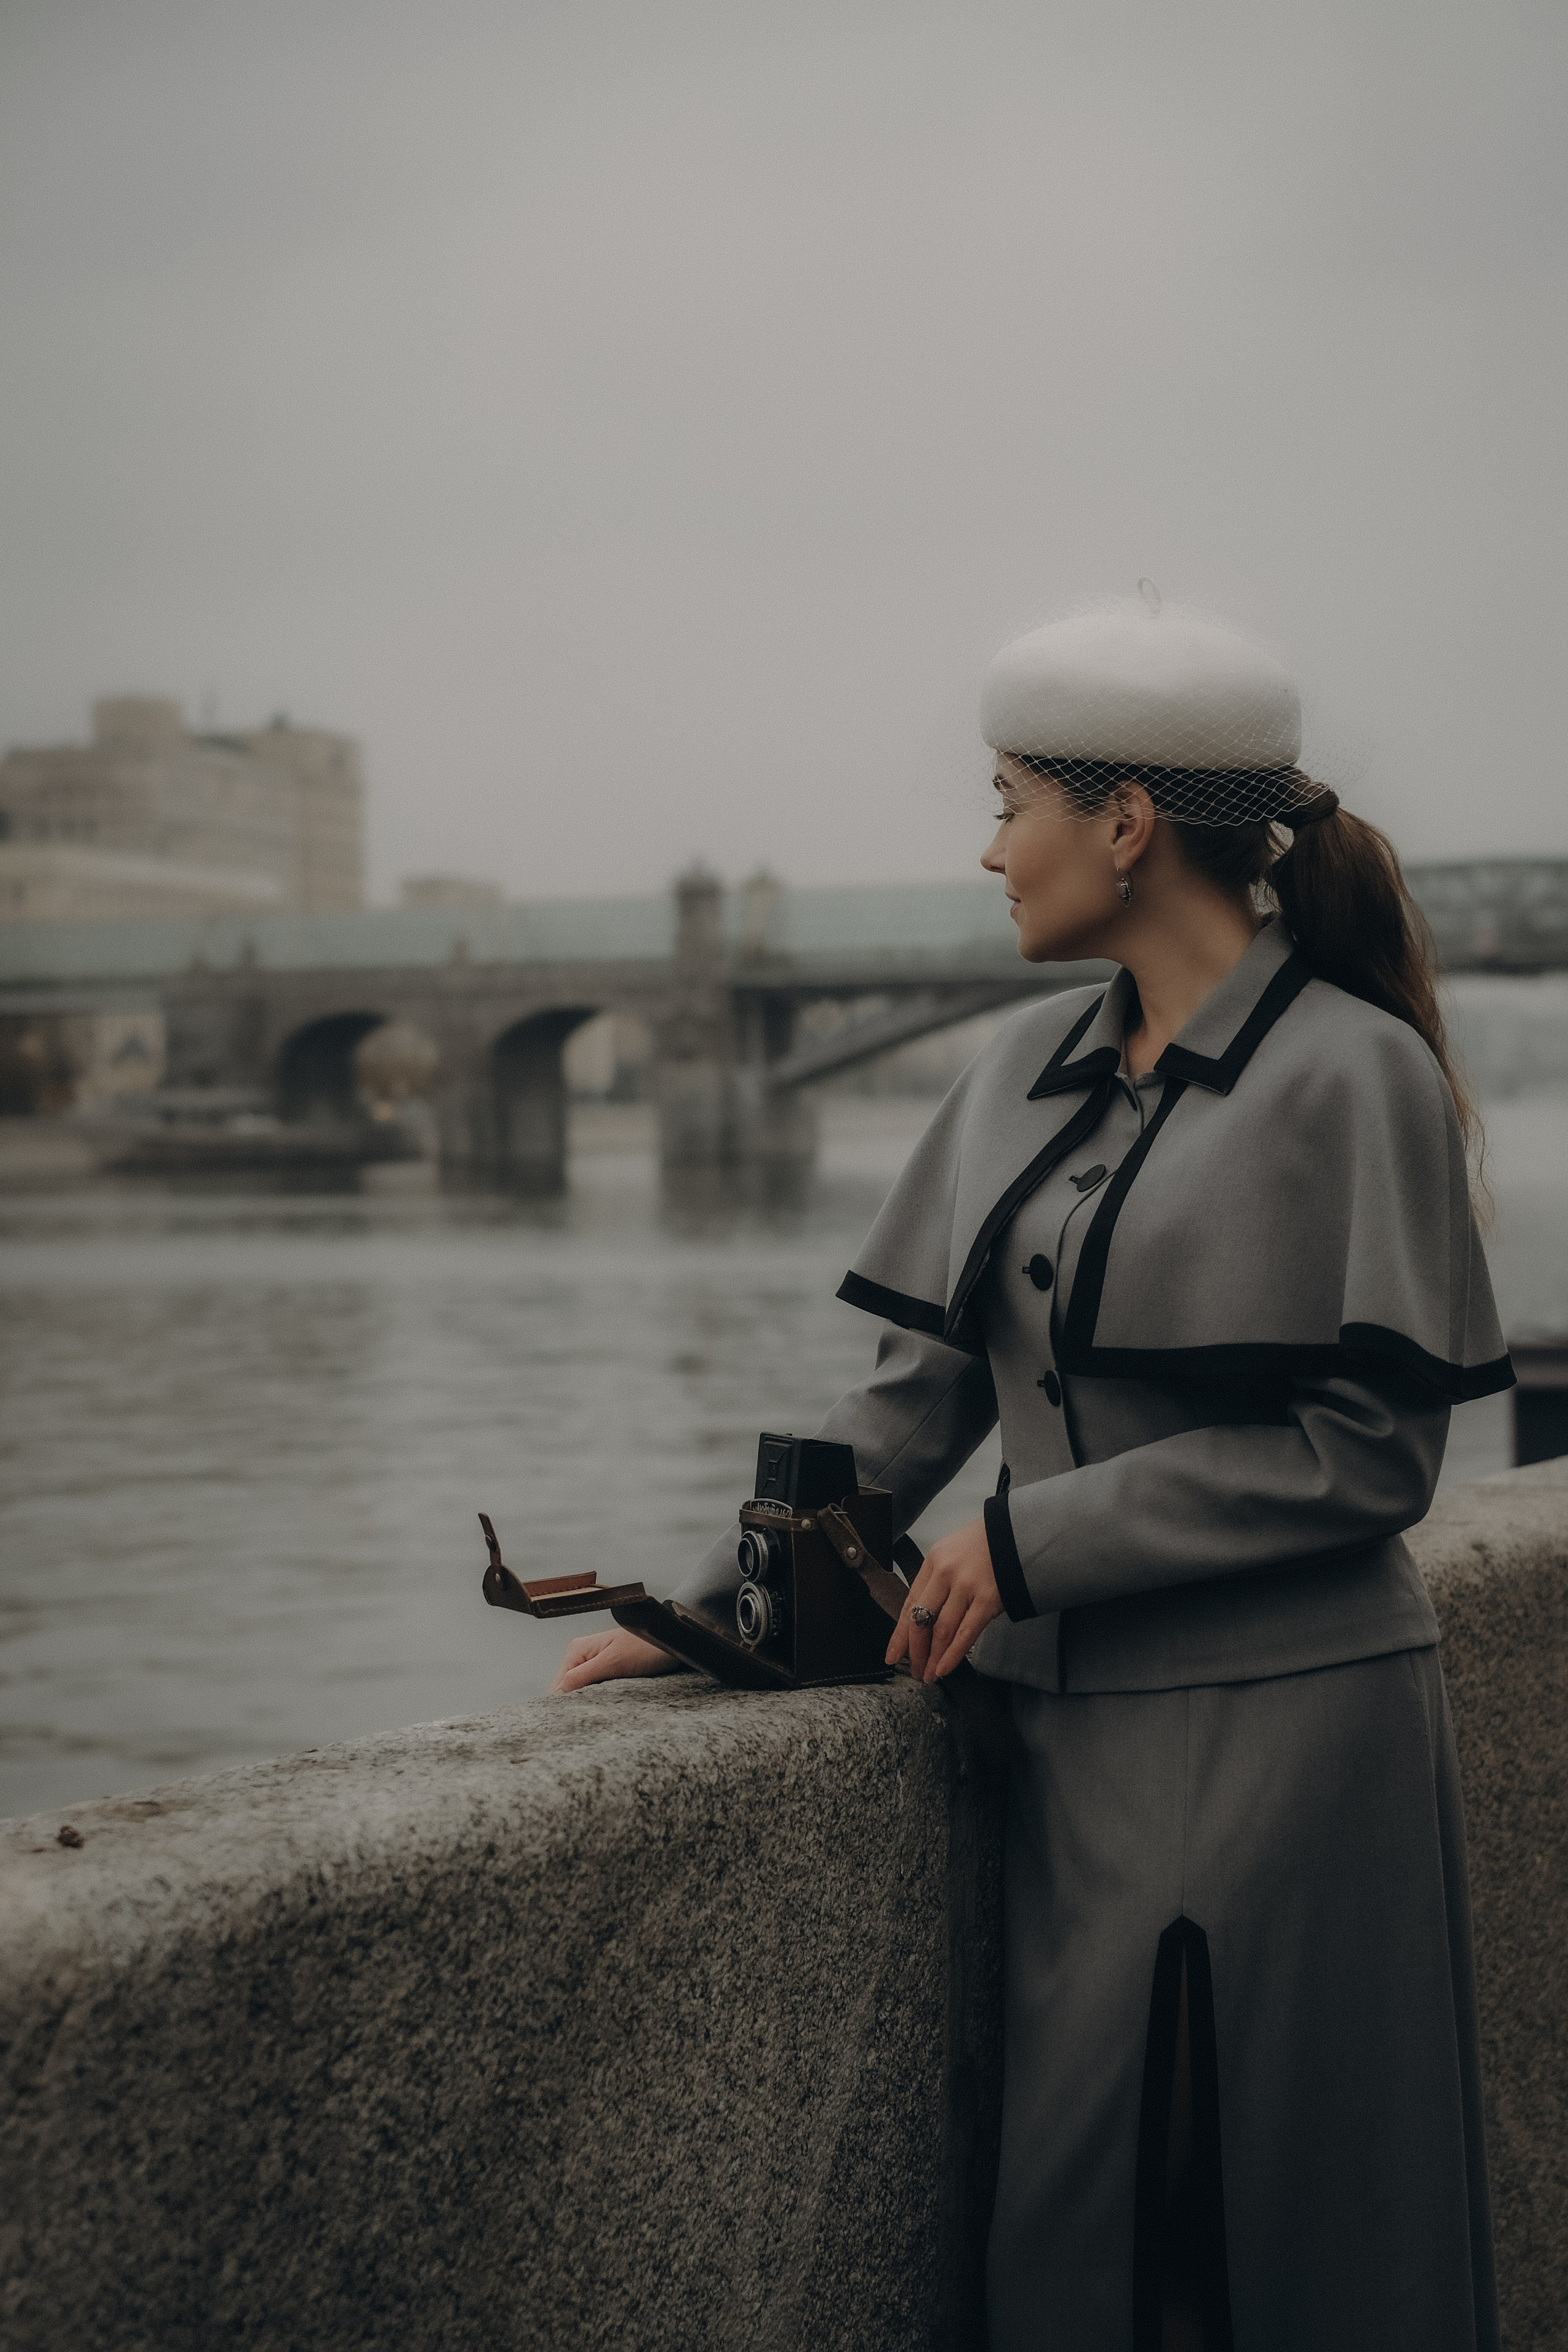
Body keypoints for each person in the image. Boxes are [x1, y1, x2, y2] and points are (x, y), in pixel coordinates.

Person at [553, 590, 1511, 2352]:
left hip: (1303, 1737)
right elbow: (908, 1405)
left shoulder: (1353, 1078)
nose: (989, 848)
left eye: (1010, 801)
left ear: (1126, 823)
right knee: (1076, 2241)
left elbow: (1377, 1452)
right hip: (1071, 1753)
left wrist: (1032, 1534)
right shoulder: (1014, 1073)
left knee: (1297, 2232)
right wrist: (704, 1612)